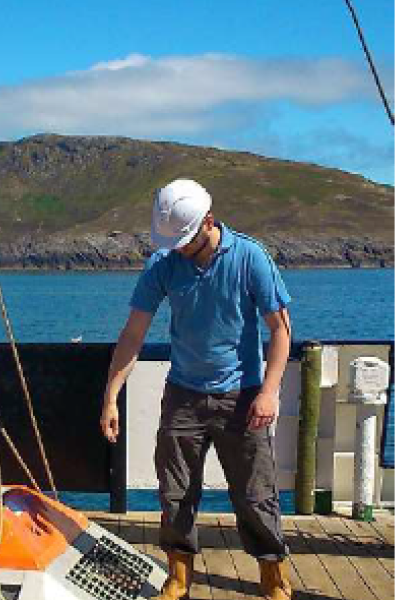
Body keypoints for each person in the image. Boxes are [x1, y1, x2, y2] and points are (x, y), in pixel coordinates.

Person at [99, 179, 293, 600]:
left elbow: (280, 330)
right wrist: (111, 396)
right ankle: (179, 576)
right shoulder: (163, 263)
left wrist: (270, 391)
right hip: (183, 394)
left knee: (256, 494)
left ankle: (273, 577)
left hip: (242, 394)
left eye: (186, 240)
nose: (181, 248)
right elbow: (133, 333)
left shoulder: (249, 257)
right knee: (175, 493)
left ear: (208, 221)